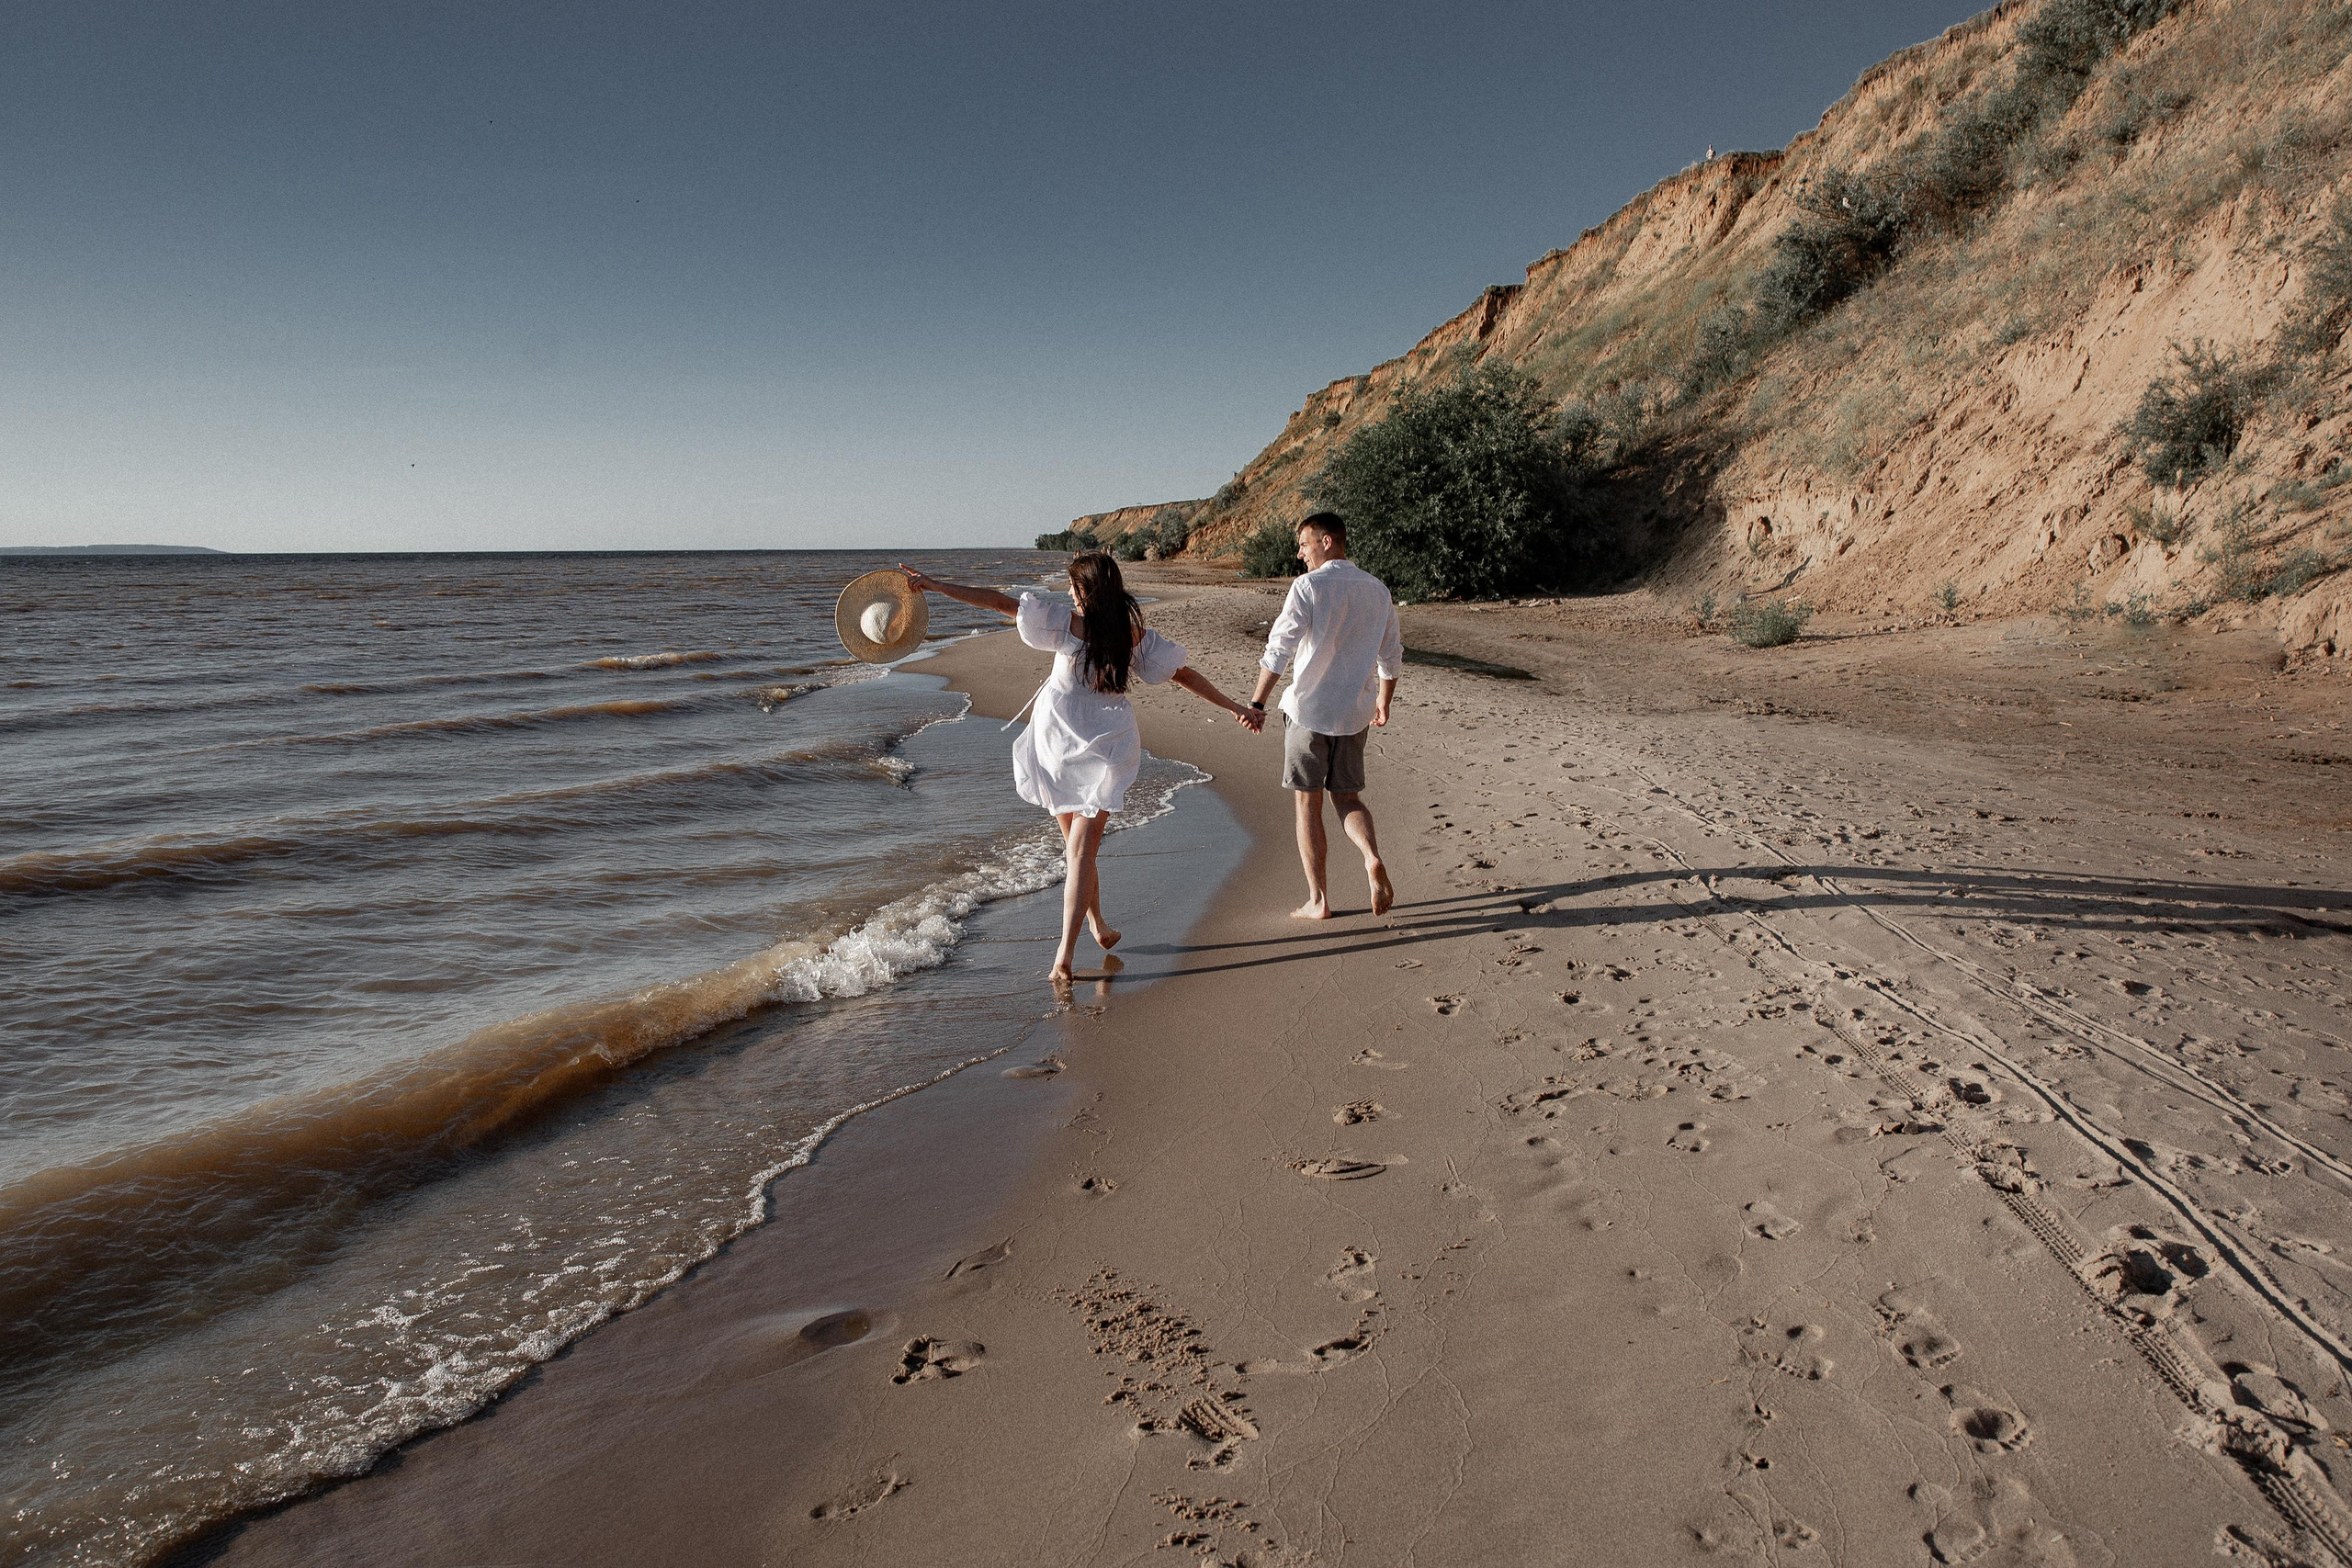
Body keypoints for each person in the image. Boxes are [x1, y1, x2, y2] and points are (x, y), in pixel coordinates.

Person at [899, 553, 1261, 986]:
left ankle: (1064, 956)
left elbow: (997, 602)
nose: (1070, 593)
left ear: (1089, 591)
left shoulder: (1074, 626)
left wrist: (936, 585)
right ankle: (1098, 924)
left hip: (1083, 745)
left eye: (1075, 586)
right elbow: (1183, 674)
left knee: (1080, 851)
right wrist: (1235, 706)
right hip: (1076, 744)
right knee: (1079, 850)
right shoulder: (1124, 633)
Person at [1246, 513, 1403, 919]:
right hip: (1354, 714)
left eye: (1304, 544)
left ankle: (1318, 901)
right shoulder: (1378, 590)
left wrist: (1258, 703)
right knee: (1348, 799)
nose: (1301, 554)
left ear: (1327, 541)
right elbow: (1391, 656)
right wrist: (1383, 701)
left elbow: (1279, 649)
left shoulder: (1308, 586)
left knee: (1307, 804)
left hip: (1310, 713)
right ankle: (1370, 856)